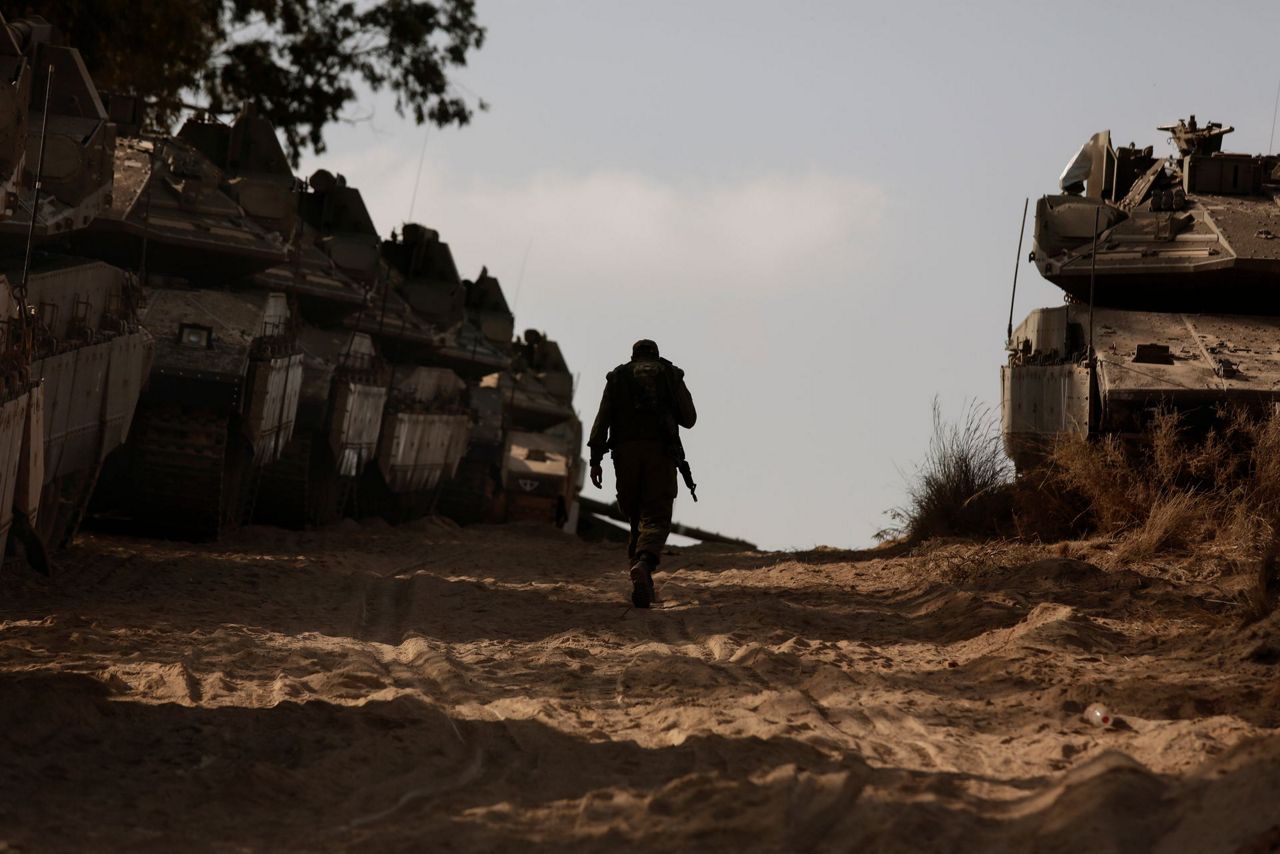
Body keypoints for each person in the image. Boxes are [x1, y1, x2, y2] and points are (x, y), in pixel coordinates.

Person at [588, 339, 696, 608]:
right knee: (657, 514)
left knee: (635, 513)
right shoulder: (670, 374)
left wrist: (595, 460)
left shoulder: (617, 377)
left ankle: (639, 571)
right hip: (660, 453)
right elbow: (689, 418)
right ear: (656, 356)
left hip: (625, 455)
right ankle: (645, 564)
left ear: (633, 356)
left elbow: (602, 420)